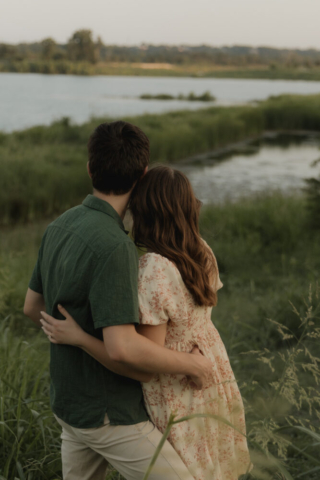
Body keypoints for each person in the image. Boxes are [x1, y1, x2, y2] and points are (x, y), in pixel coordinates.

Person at [23, 121, 213, 480]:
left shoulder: (59, 225)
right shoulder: (116, 247)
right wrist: (194, 366)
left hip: (68, 405)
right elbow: (123, 349)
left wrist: (73, 336)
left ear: (90, 168)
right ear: (142, 174)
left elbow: (32, 307)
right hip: (109, 415)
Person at [40, 165, 252, 479]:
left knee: (185, 466)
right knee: (209, 459)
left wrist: (81, 337)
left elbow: (145, 358)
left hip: (176, 383)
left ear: (143, 211)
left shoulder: (153, 267)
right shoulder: (201, 250)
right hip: (212, 365)